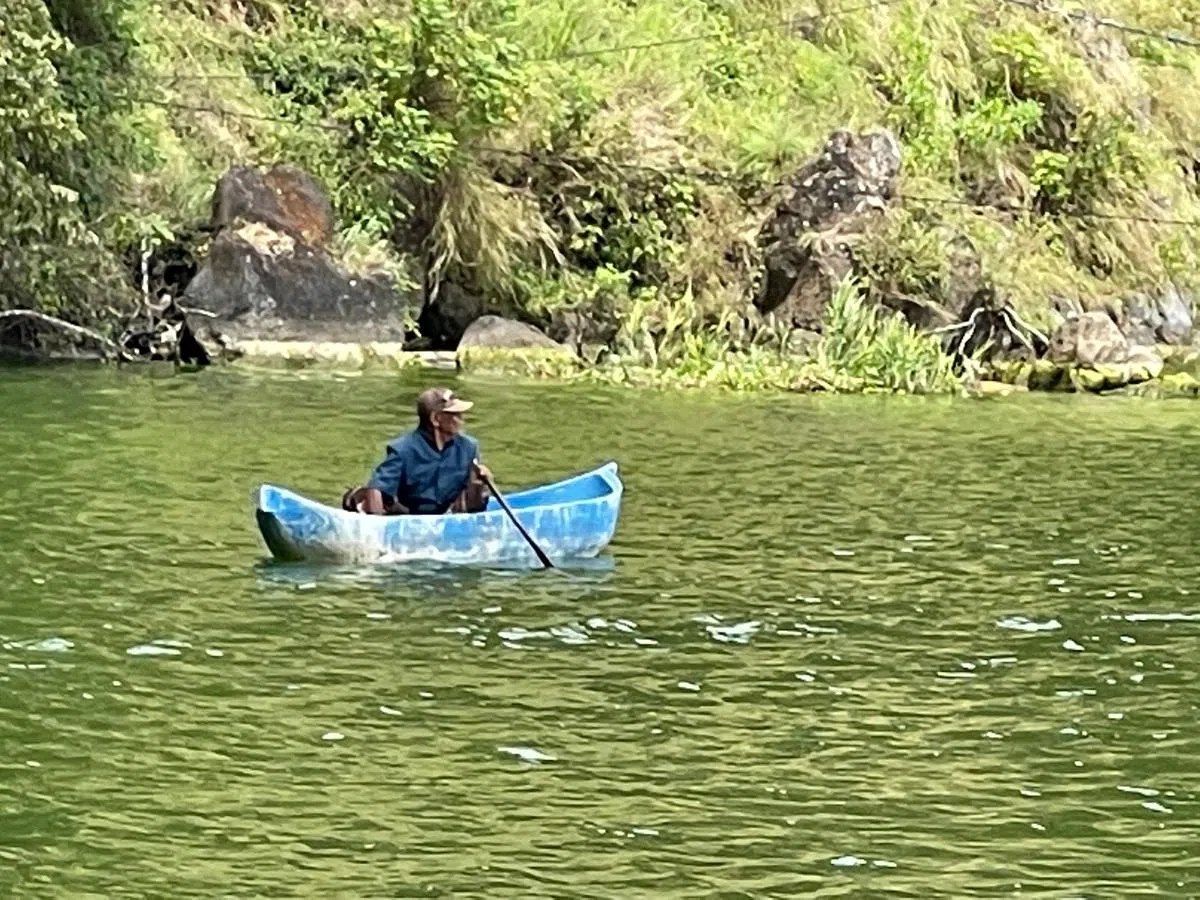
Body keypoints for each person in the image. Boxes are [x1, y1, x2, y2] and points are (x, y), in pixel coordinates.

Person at [341, 387, 492, 515]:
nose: (461, 420)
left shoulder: (468, 448)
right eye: (455, 415)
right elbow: (377, 489)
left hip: (446, 514)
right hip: (407, 515)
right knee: (364, 497)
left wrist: (478, 484)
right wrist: (376, 526)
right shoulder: (403, 450)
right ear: (436, 419)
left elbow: (475, 506)